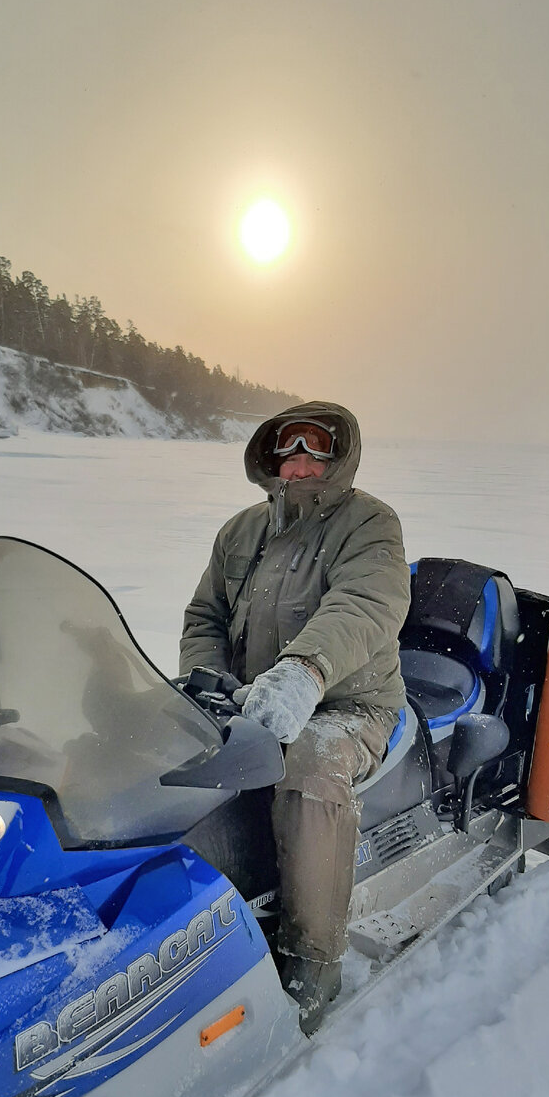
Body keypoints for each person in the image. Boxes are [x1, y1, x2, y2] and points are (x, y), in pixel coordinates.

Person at [180, 401, 410, 1034]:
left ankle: (312, 962)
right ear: (272, 457)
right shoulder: (242, 530)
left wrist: (305, 671)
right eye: (289, 447)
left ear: (340, 457)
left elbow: (365, 605)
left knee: (307, 761)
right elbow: (205, 616)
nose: (301, 459)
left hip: (348, 703)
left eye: (317, 446)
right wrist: (205, 679)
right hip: (254, 695)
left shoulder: (369, 523)